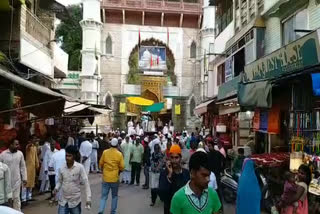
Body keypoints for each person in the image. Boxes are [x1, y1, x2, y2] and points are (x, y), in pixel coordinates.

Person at [54, 146, 91, 214]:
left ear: (74, 156)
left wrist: (88, 198)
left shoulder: (80, 167)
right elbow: (59, 181)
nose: (67, 158)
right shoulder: (62, 167)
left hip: (75, 201)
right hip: (63, 201)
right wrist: (56, 189)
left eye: (69, 156)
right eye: (66, 155)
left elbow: (86, 183)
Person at [158, 144, 190, 214]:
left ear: (180, 158)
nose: (174, 160)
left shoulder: (186, 173)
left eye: (176, 157)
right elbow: (162, 195)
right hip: (170, 210)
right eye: (172, 158)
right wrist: (169, 175)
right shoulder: (164, 174)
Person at [98, 138, 125, 214]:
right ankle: (113, 212)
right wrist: (118, 171)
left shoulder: (105, 152)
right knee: (114, 196)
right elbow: (122, 167)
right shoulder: (119, 154)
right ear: (117, 145)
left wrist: (103, 170)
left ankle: (101, 210)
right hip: (114, 178)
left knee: (103, 196)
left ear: (110, 144)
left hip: (106, 178)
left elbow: (100, 164)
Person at [0, 139, 27, 211]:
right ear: (11, 145)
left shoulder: (20, 154)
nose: (18, 146)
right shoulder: (3, 155)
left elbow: (23, 166)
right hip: (6, 183)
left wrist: (24, 178)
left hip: (17, 181)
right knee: (8, 200)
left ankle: (18, 212)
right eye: (16, 144)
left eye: (18, 144)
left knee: (16, 199)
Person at [207, 138, 225, 211]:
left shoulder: (208, 155)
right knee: (218, 191)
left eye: (209, 146)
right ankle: (220, 208)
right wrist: (221, 169)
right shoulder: (218, 153)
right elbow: (224, 161)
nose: (208, 147)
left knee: (212, 191)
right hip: (216, 174)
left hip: (212, 175)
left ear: (211, 145)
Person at [22, 135, 40, 204]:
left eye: (35, 139)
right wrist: (31, 143)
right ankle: (23, 198)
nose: (35, 140)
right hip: (27, 167)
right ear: (31, 140)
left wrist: (37, 164)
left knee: (31, 182)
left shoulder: (35, 147)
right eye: (34, 139)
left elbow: (36, 157)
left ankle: (29, 197)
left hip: (33, 167)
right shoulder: (28, 146)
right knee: (26, 182)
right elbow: (28, 147)